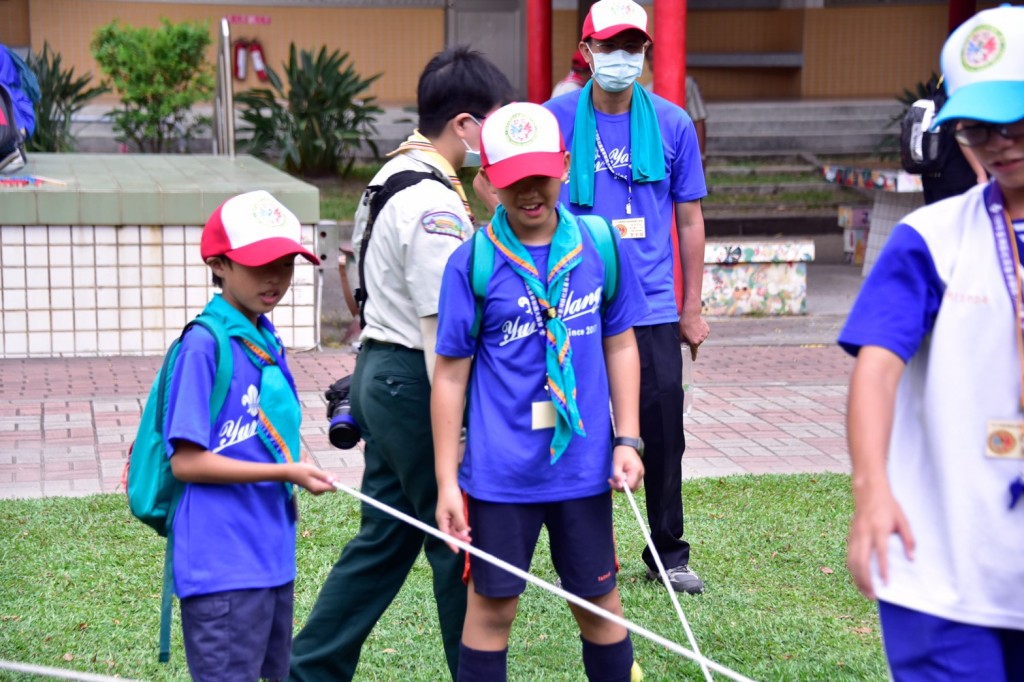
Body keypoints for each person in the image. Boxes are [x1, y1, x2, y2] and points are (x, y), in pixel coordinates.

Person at [288, 46, 513, 682]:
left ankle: (310, 667)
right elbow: (448, 330)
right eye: (492, 126)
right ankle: (474, 669)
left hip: (383, 374)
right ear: (467, 125)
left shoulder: (397, 174)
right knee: (456, 540)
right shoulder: (434, 203)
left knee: (384, 543)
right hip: (413, 379)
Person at [432, 100, 648, 682]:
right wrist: (448, 482)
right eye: (511, 179)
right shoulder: (471, 265)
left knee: (598, 602)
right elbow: (450, 374)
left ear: (565, 167)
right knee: (493, 609)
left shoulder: (599, 246)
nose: (529, 191)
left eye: (540, 175)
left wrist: (627, 439)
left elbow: (621, 343)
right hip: (501, 476)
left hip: (584, 467)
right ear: (485, 182)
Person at [840, 6, 1024, 679]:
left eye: (1017, 121)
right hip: (943, 566)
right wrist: (872, 493)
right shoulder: (931, 241)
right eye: (979, 128)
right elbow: (877, 370)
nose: (1001, 143)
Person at [544, 0, 710, 594]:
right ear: (586, 53)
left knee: (664, 431)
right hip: (575, 302)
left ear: (645, 55)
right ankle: (586, 552)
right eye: (610, 47)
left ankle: (668, 551)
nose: (621, 59)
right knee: (578, 425)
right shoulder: (553, 118)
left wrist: (692, 308)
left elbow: (688, 221)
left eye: (632, 48)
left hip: (654, 305)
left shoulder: (672, 124)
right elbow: (515, 195)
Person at [164, 190, 337, 682]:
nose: (275, 279)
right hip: (222, 567)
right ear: (218, 264)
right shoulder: (204, 344)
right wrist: (286, 471)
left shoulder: (265, 334)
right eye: (259, 264)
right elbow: (187, 462)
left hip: (271, 558)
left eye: (285, 263)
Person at [685, 75, 707, 161]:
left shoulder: (687, 84)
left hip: (685, 148)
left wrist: (701, 156)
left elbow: (699, 119)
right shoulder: (648, 89)